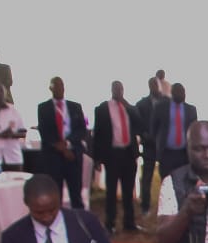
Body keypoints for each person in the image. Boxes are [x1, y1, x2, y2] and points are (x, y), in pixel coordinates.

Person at [92, 80, 144, 233]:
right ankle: (110, 224)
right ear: (111, 90)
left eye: (121, 89)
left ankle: (129, 222)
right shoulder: (103, 108)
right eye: (116, 89)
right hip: (112, 154)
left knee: (128, 191)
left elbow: (140, 125)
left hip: (129, 153)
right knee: (111, 191)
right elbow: (97, 134)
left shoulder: (129, 108)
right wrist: (97, 158)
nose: (119, 91)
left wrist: (129, 107)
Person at [36, 76, 87, 210]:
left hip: (73, 155)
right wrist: (62, 148)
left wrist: (68, 143)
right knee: (54, 193)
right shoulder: (43, 108)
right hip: (53, 156)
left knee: (76, 193)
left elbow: (82, 130)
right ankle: (56, 219)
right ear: (50, 88)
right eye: (56, 86)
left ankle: (78, 218)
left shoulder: (75, 107)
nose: (59, 89)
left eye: (61, 86)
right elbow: (44, 131)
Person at [153, 82, 196, 179]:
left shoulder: (191, 109)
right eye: (179, 92)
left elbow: (193, 131)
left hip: (184, 154)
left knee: (184, 181)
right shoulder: (161, 107)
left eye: (183, 92)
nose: (182, 95)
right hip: (166, 153)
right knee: (166, 180)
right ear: (172, 93)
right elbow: (154, 129)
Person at [135, 77, 164, 216]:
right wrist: (145, 136)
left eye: (156, 85)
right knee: (146, 178)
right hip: (148, 146)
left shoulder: (167, 102)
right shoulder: (141, 104)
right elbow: (138, 124)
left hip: (164, 147)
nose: (155, 87)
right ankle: (145, 206)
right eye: (152, 85)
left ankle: (166, 204)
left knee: (167, 178)